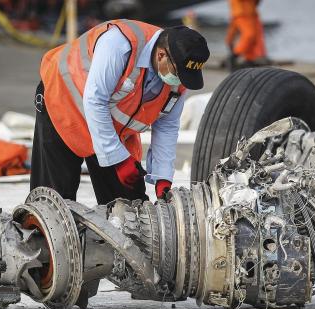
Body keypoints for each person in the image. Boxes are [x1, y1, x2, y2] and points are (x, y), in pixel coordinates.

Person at [31, 20, 209, 204]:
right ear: (161, 55)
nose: (180, 81)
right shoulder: (119, 43)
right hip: (63, 100)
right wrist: (118, 160)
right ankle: (39, 231)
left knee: (130, 205)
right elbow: (95, 100)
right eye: (178, 74)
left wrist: (162, 177)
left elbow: (167, 126)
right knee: (54, 201)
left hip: (111, 125)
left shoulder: (179, 76)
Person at [225, 0, 266, 69]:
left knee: (254, 38)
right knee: (250, 35)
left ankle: (249, 60)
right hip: (241, 12)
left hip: (250, 11)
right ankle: (233, 57)